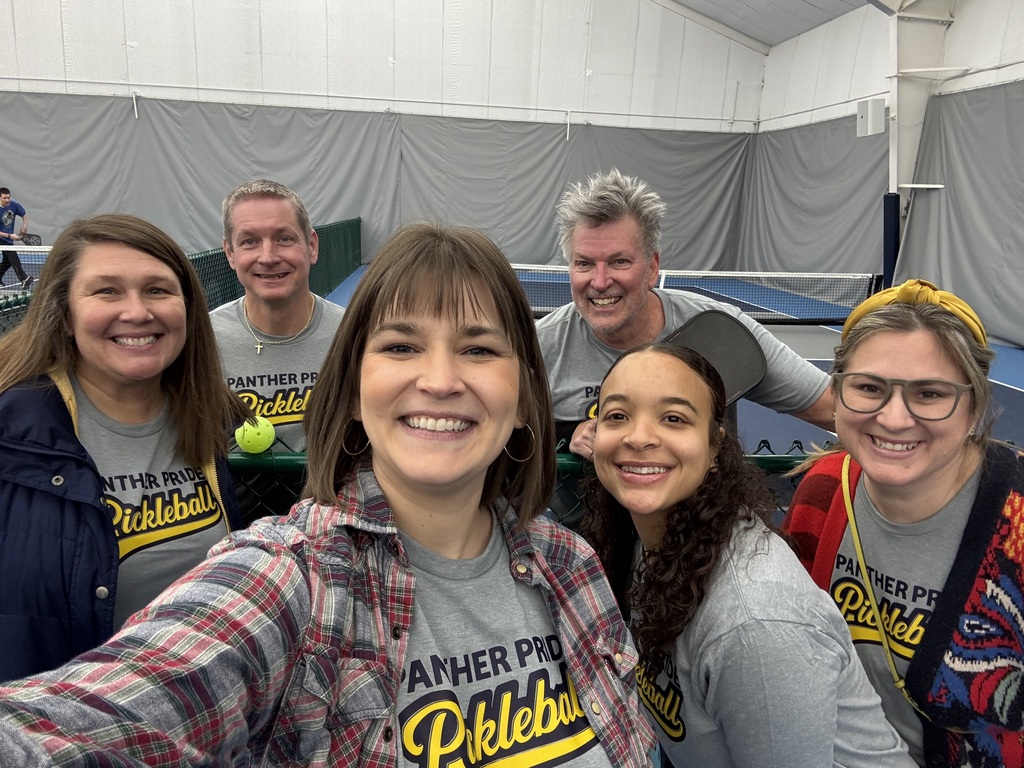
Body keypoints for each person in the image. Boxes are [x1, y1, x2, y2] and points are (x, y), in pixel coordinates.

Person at [0, 222, 656, 767]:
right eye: (400, 345)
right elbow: (69, 729)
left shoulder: (571, 566)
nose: (439, 379)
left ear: (522, 401)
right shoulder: (289, 584)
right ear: (354, 394)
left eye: (479, 349)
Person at [581, 341, 914, 767]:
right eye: (617, 416)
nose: (639, 437)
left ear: (715, 448)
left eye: (674, 418)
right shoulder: (652, 541)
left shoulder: (754, 623)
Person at [0, 214, 252, 684]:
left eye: (157, 290)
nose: (137, 312)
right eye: (106, 291)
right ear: (64, 310)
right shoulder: (12, 434)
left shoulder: (206, 414)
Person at [784, 279, 1024, 767]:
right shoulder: (823, 491)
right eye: (869, 387)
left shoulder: (1015, 526)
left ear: (974, 404)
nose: (894, 419)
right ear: (837, 391)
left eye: (930, 394)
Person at [536, 168, 835, 527]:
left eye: (619, 261)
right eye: (584, 263)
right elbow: (504, 440)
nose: (600, 282)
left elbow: (835, 408)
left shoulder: (723, 331)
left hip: (698, 541)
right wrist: (566, 434)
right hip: (583, 548)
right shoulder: (539, 347)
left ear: (651, 267)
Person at [210, 179, 345, 453]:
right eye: (249, 242)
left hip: (335, 494)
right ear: (230, 254)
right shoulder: (203, 340)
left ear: (311, 246)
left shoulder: (352, 332)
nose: (268, 257)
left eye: (284, 238)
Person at [0, 186, 32, 289]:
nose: (7, 200)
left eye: (8, 197)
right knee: (13, 256)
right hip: (1, 238)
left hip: (8, 238)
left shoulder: (13, 205)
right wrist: (10, 235)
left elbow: (23, 213)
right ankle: (23, 279)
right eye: (4, 198)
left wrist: (25, 225)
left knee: (7, 261)